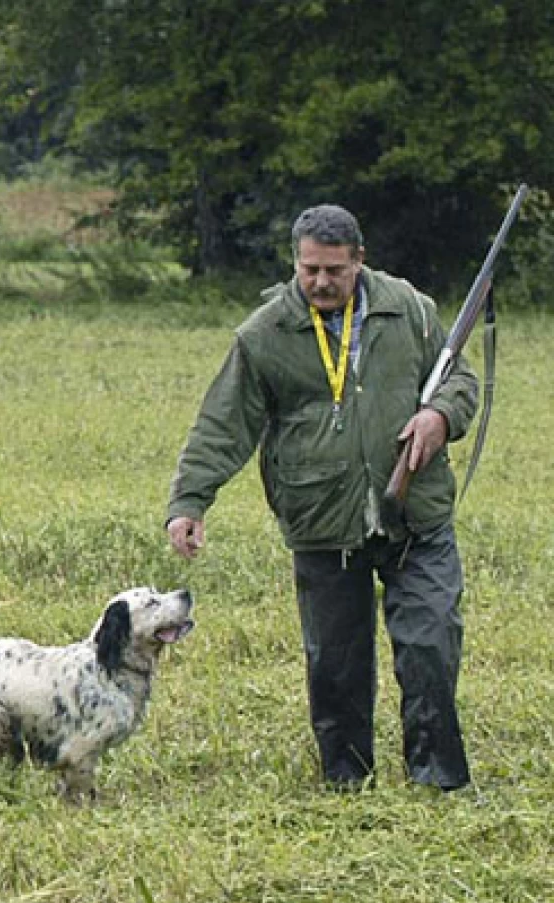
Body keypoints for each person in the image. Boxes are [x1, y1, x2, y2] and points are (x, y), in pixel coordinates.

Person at [166, 204, 476, 791]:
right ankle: (346, 783)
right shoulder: (265, 333)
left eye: (335, 269)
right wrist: (189, 502)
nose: (321, 282)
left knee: (431, 647)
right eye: (309, 269)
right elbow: (222, 424)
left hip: (417, 515)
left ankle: (438, 783)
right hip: (321, 520)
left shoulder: (408, 308)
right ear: (295, 262)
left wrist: (440, 414)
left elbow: (460, 376)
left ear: (360, 260)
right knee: (335, 663)